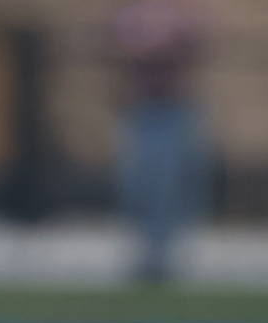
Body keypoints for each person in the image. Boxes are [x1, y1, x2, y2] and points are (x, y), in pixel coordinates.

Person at [111, 0, 209, 283]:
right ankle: (143, 254)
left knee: (171, 185)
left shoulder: (181, 15)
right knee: (137, 185)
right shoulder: (130, 15)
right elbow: (118, 47)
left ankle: (163, 256)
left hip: (173, 109)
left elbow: (195, 46)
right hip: (140, 110)